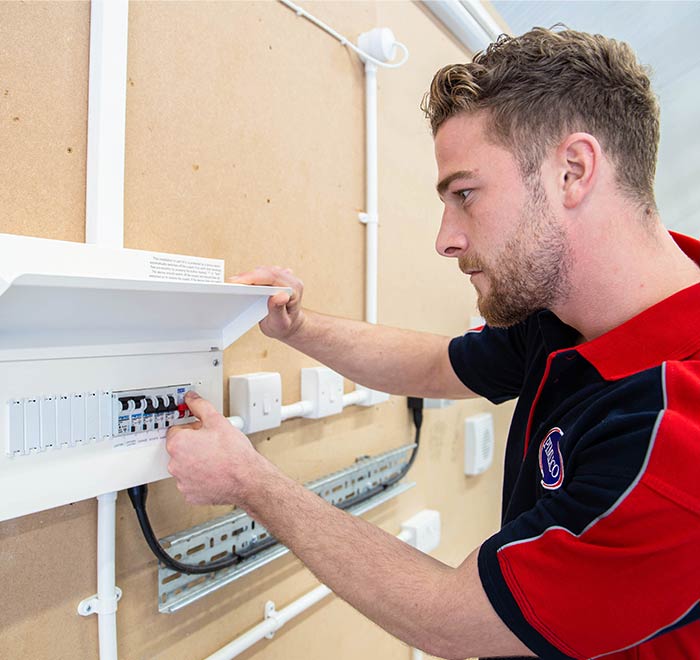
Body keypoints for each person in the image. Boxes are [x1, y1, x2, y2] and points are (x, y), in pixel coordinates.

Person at [166, 27, 700, 659]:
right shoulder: (570, 316)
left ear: (573, 171)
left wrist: (250, 483)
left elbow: (449, 618)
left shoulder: (676, 441)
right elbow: (436, 364)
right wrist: (299, 328)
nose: (445, 239)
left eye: (466, 195)